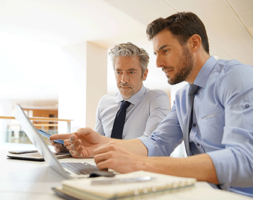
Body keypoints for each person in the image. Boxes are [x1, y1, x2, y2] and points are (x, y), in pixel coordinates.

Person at [50, 12, 253, 197]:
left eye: (165, 50)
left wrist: (142, 164)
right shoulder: (183, 97)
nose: (158, 63)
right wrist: (99, 145)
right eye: (156, 53)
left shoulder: (237, 78)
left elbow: (245, 160)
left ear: (194, 43)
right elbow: (157, 143)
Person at [52, 42, 170, 152]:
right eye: (119, 72)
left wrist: (101, 145)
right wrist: (74, 147)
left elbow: (152, 145)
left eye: (131, 72)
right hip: (105, 167)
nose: (123, 80)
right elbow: (95, 145)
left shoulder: (156, 99)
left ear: (144, 74)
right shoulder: (105, 102)